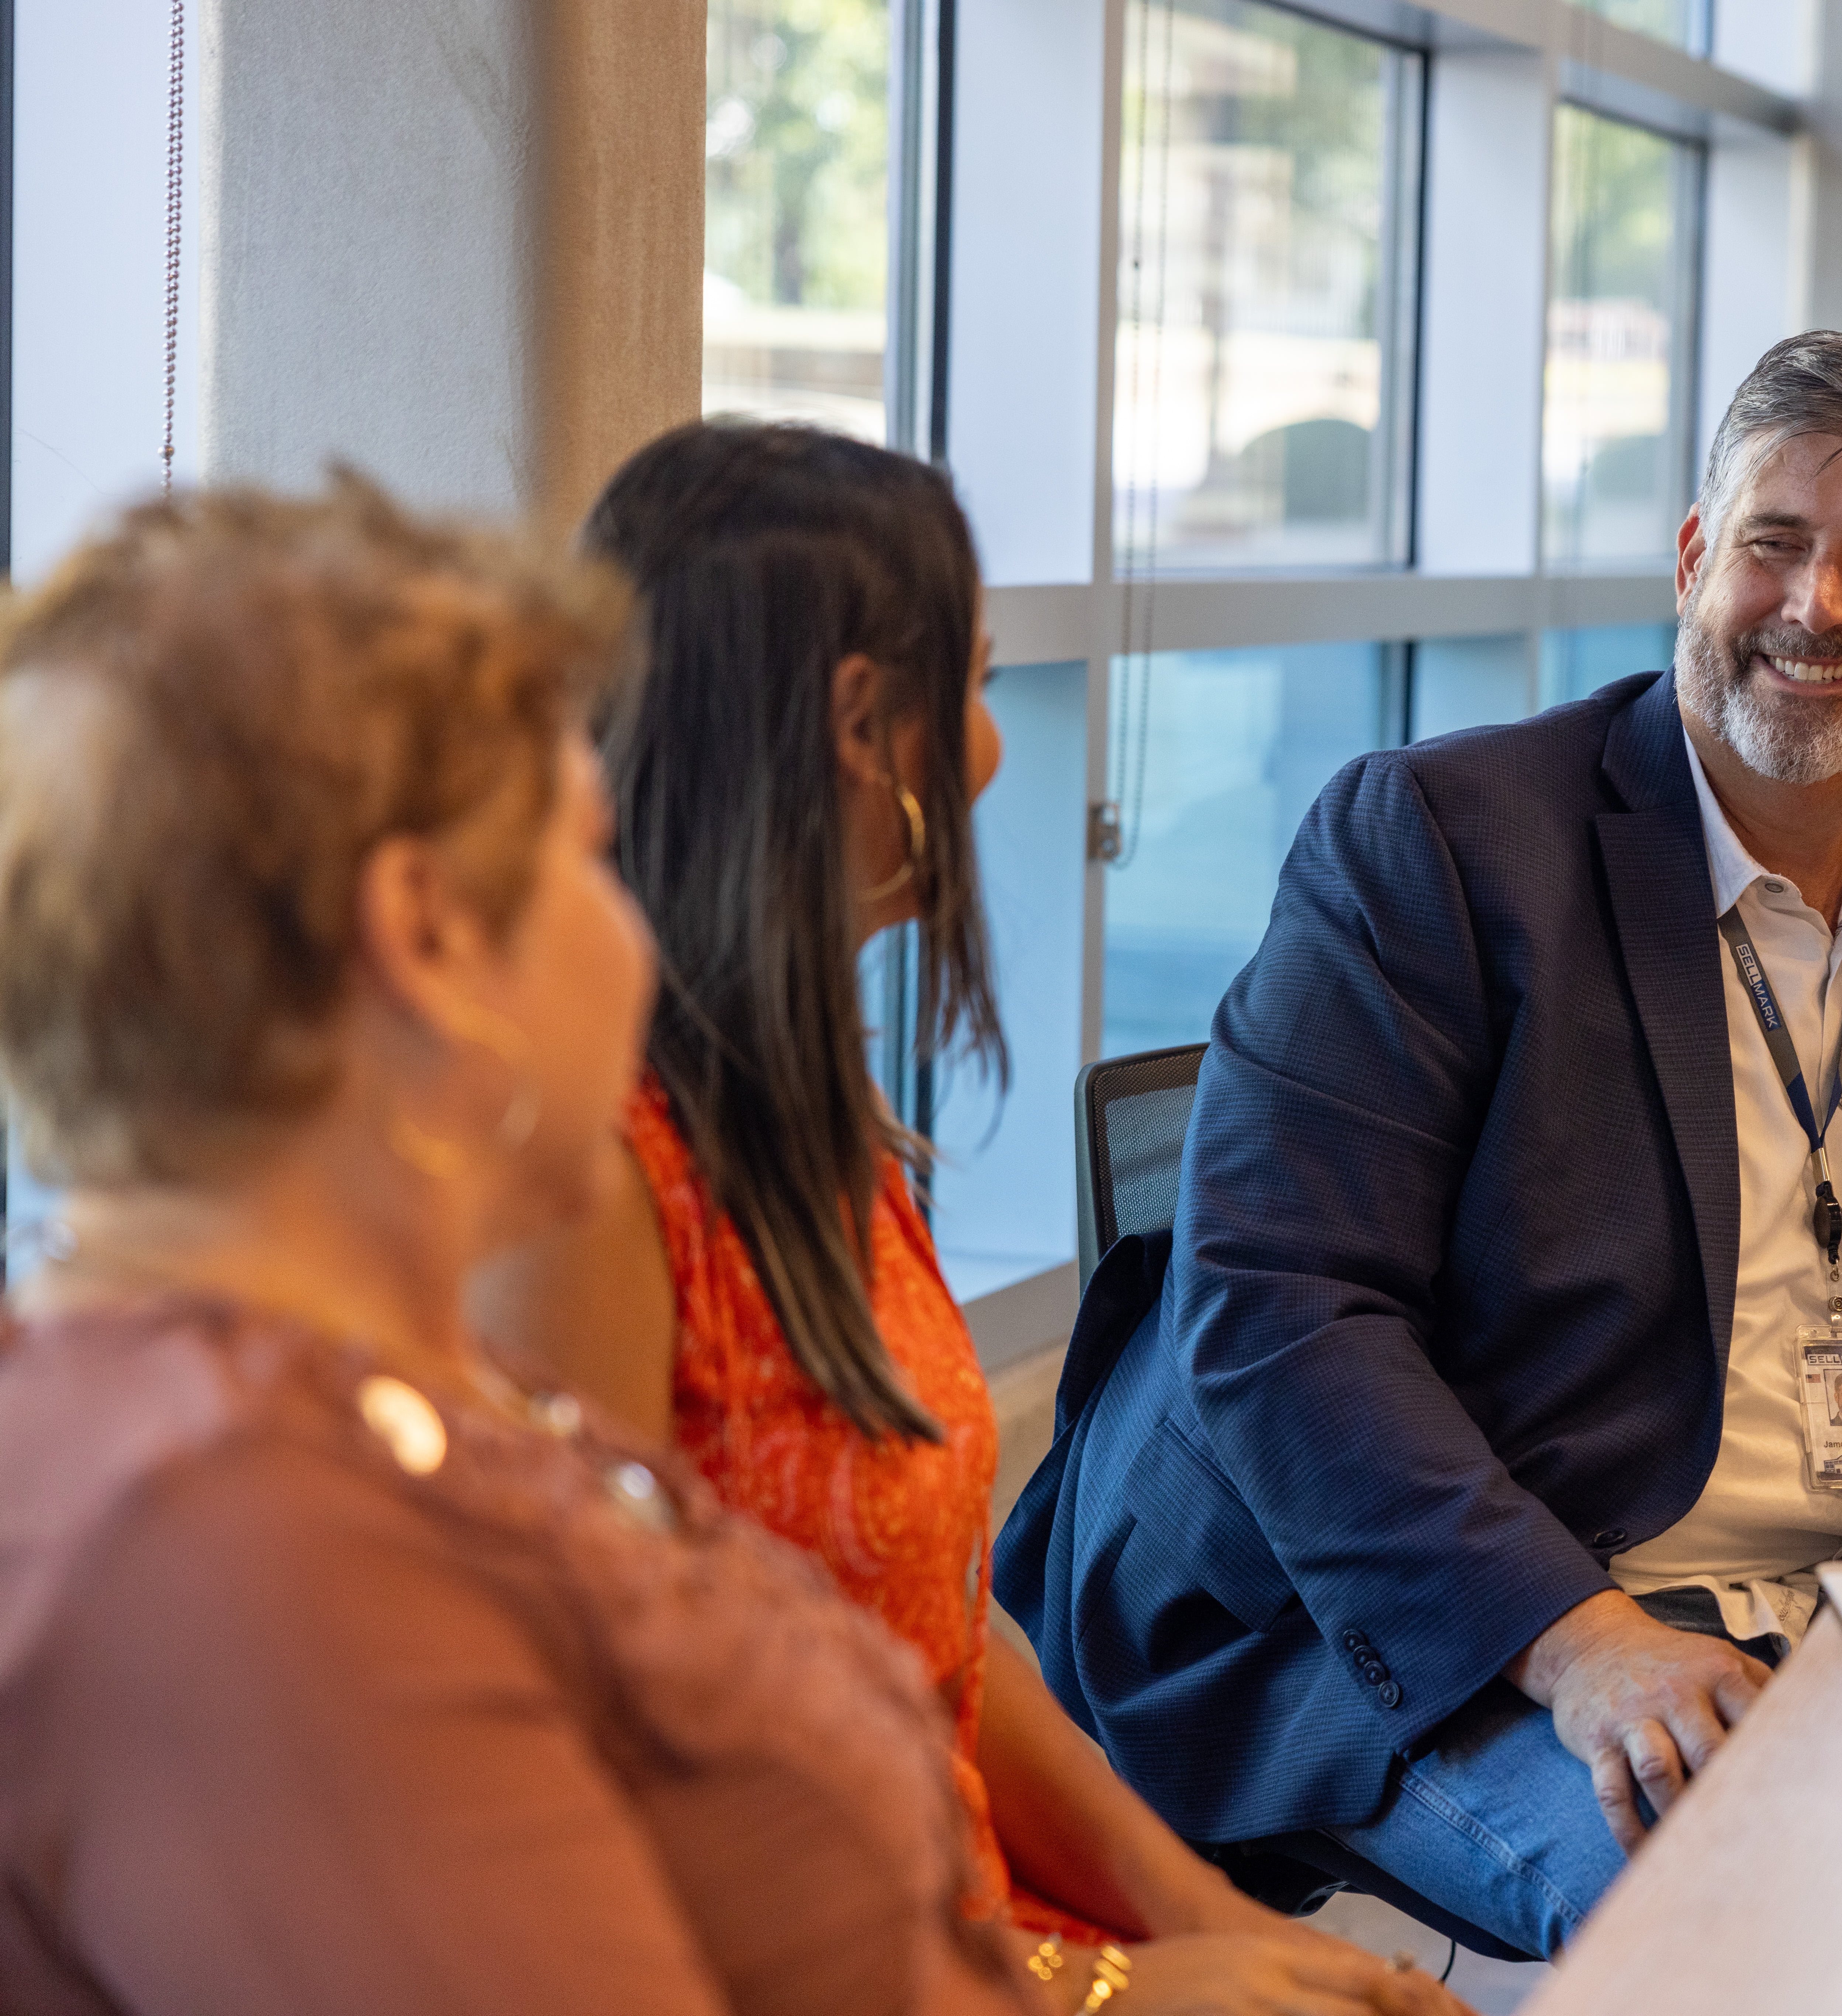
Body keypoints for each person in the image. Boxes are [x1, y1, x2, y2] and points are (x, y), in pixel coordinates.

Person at [998, 331, 1842, 1959]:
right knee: (1761, 1929)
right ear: (1694, 562)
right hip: (1512, 1597)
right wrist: (1581, 1637)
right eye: (1771, 544)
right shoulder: (1442, 844)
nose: (1815, 606)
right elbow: (1277, 1309)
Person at [0, 479, 1047, 2012]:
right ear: (426, 938)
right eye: (584, 849)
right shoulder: (250, 1548)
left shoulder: (393, 1391)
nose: (631, 919)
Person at [474, 422, 1459, 2014]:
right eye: (981, 685)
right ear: (867, 722)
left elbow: (935, 1625)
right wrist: (1103, 1990)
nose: (996, 749)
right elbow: (605, 1808)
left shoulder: (824, 1127)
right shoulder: (586, 1182)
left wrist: (1202, 1911)